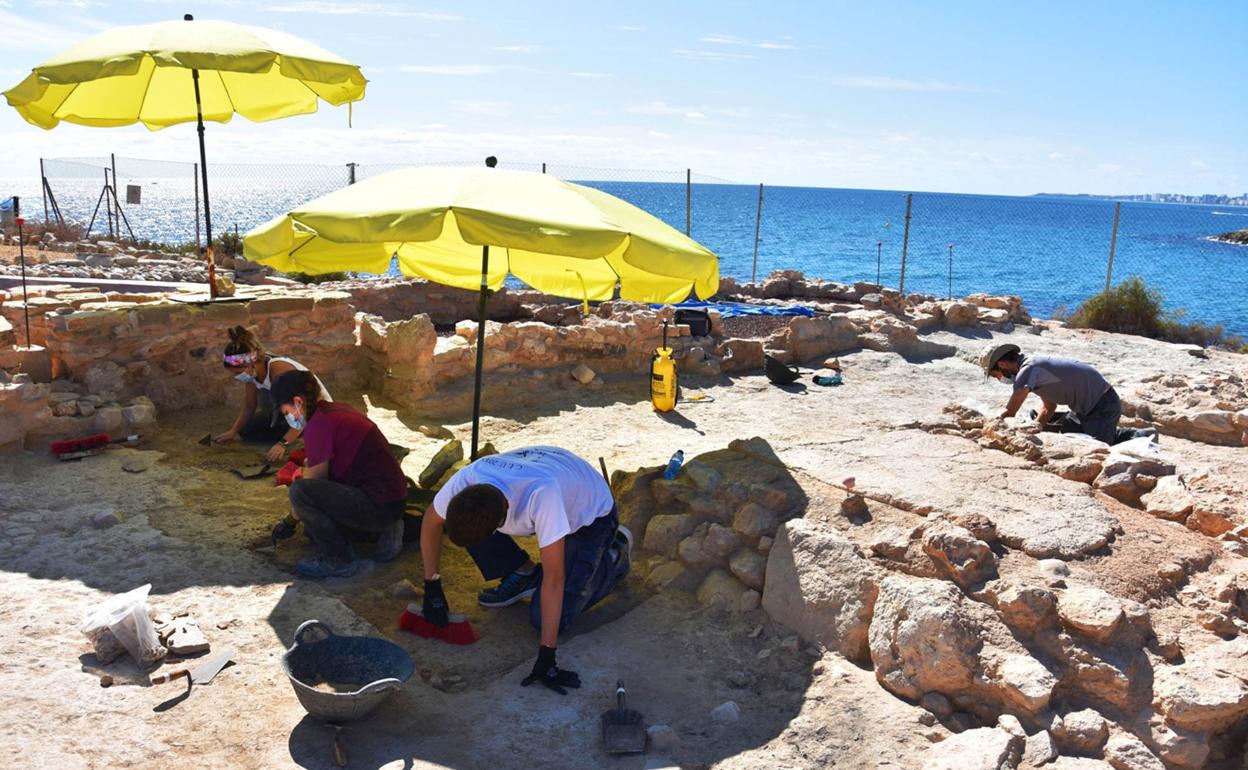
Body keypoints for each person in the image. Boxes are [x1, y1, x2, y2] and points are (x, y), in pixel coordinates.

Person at [419, 446, 632, 695]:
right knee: (471, 531)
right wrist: (432, 584)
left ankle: (613, 556)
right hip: (547, 468)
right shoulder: (468, 480)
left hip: (591, 515)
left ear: (504, 518)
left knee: (546, 619)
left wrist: (547, 655)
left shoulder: (542, 496)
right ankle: (524, 573)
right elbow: (431, 521)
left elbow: (554, 579)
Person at [269, 370, 407, 579]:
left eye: (285, 411)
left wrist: (290, 521)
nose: (286, 417)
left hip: (379, 505)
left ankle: (338, 560)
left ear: (298, 402)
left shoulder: (318, 425)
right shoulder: (333, 411)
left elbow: (312, 486)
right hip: (392, 499)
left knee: (299, 492)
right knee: (313, 530)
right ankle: (385, 532)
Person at [981, 343, 1155, 445]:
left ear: (1003, 365)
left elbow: (1010, 412)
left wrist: (988, 425)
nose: (999, 379)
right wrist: (1036, 427)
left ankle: (1144, 435)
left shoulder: (1028, 370)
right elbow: (1049, 407)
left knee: (1099, 445)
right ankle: (1101, 428)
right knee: (1066, 431)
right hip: (1084, 408)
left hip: (1102, 405)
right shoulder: (1033, 367)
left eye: (996, 375)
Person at [213, 325, 332, 464]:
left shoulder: (279, 371)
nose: (238, 377)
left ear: (252, 364)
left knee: (279, 435)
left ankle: (301, 434)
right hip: (287, 411)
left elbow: (303, 410)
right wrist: (232, 431)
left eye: (238, 373)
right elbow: (250, 404)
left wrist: (283, 444)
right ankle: (294, 432)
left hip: (313, 412)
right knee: (246, 432)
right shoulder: (253, 372)